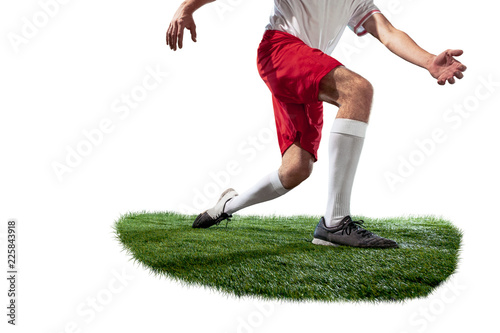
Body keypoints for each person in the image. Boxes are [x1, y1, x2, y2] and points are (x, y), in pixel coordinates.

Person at [166, 0, 466, 248]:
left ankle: (224, 207)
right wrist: (188, 7)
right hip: (280, 52)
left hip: (309, 64)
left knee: (295, 170)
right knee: (357, 90)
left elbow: (387, 32)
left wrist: (429, 61)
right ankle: (335, 223)